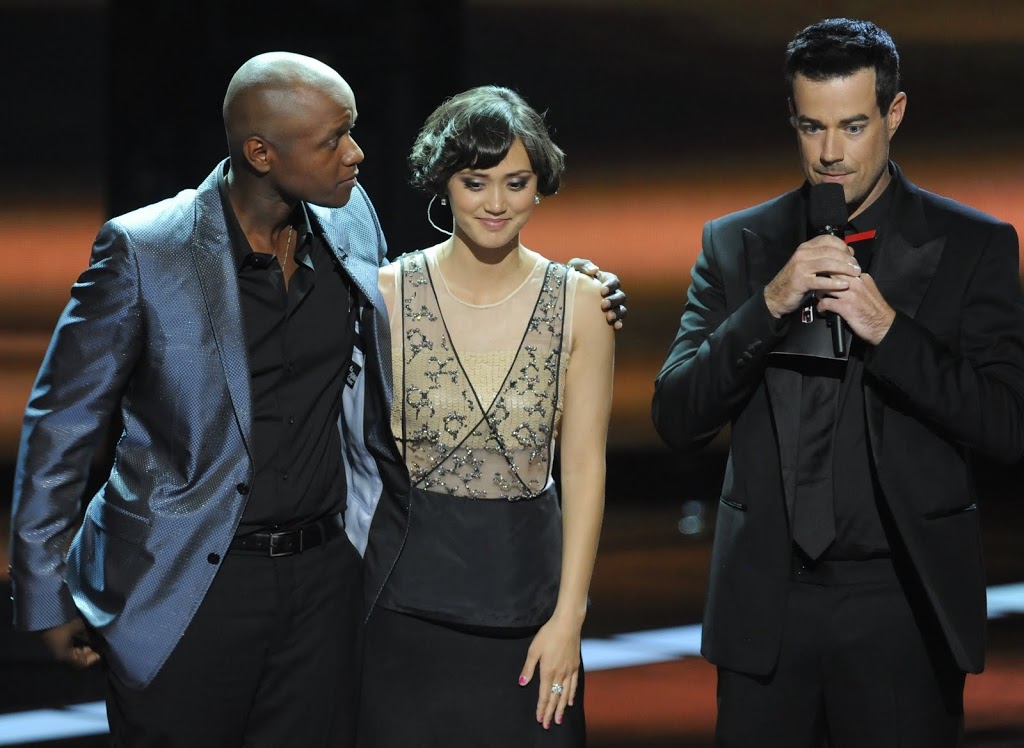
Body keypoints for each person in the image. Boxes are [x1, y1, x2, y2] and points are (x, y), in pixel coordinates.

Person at [9, 53, 625, 747]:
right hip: (184, 584)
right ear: (262, 153)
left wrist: (576, 290)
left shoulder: (349, 221)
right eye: (334, 139)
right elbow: (61, 423)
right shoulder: (147, 249)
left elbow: (442, 309)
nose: (357, 153)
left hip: (323, 584)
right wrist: (44, 592)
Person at [652, 18, 1024, 748]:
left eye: (852, 126)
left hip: (901, 605)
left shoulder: (973, 246)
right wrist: (768, 304)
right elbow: (678, 415)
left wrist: (891, 331)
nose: (830, 153)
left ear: (894, 113)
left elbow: (1006, 424)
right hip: (768, 605)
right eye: (811, 127)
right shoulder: (737, 245)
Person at [357, 86, 614, 746]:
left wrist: (569, 620)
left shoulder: (582, 304)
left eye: (516, 183)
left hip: (530, 615)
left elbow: (585, 468)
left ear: (539, 185)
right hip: (402, 612)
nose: (497, 203)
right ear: (444, 182)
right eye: (475, 182)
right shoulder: (385, 296)